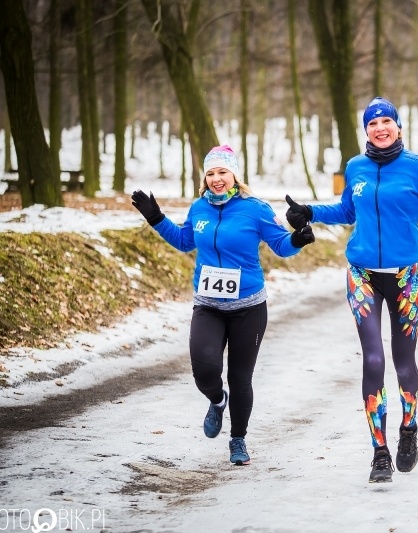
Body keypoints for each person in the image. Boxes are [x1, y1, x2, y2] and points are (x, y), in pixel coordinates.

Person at [284, 97, 418, 483]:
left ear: (399, 127)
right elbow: (349, 211)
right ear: (365, 130)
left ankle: (409, 429)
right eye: (372, 123)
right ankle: (379, 452)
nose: (380, 127)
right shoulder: (355, 167)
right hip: (363, 274)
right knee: (373, 360)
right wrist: (310, 211)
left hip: (405, 277)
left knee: (403, 361)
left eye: (387, 121)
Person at [131, 145, 314, 466]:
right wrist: (156, 218)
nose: (217, 179)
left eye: (222, 172)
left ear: (234, 176)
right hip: (209, 305)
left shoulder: (254, 209)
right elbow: (185, 241)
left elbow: (281, 246)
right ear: (205, 177)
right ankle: (217, 401)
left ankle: (238, 439)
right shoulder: (199, 208)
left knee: (240, 377)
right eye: (211, 173)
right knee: (204, 370)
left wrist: (298, 238)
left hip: (249, 307)